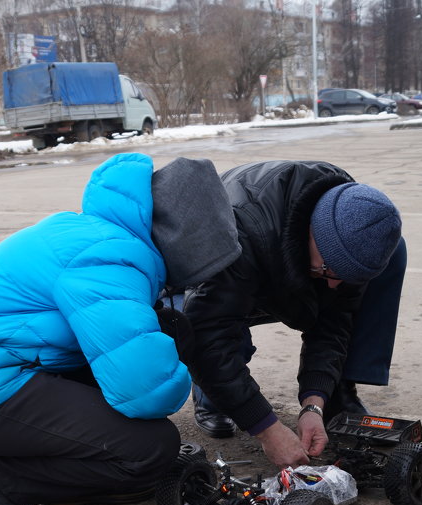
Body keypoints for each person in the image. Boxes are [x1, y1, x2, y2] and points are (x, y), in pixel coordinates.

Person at [0, 153, 240, 505]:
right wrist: (180, 367)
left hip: (8, 366)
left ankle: (65, 483)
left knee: (166, 331)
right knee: (152, 449)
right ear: (180, 241)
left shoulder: (102, 233)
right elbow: (144, 393)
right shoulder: (112, 259)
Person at [169, 160, 407, 469]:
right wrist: (266, 429)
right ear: (312, 232)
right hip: (192, 279)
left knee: (393, 251)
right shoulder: (239, 234)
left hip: (275, 267)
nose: (335, 284)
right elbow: (209, 333)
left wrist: (314, 403)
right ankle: (209, 396)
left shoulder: (350, 220)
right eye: (328, 270)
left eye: (344, 278)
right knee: (213, 335)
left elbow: (333, 324)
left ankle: (338, 389)